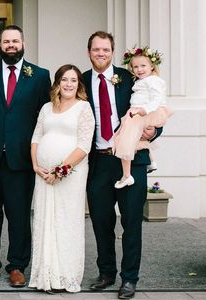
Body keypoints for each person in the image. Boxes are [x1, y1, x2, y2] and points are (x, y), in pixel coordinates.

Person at [83, 31, 162, 300]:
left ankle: (129, 278)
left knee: (131, 223)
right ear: (89, 52)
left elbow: (155, 108)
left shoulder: (132, 78)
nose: (101, 54)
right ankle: (106, 273)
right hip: (98, 161)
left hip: (131, 160)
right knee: (101, 222)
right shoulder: (80, 81)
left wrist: (153, 132)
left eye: (105, 49)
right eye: (96, 50)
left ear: (112, 52)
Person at [0, 25, 50, 287]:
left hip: (21, 159)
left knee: (18, 215)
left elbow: (44, 118)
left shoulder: (39, 76)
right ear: (0, 44)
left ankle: (17, 265)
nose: (11, 45)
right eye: (6, 41)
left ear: (23, 43)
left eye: (15, 41)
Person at [28, 64, 95, 293]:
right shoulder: (47, 108)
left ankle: (65, 275)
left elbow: (84, 145)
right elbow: (36, 137)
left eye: (73, 80)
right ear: (57, 83)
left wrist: (60, 170)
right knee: (45, 219)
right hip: (43, 174)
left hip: (70, 175)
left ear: (79, 85)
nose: (68, 84)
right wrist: (37, 165)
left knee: (65, 220)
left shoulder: (83, 108)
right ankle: (45, 275)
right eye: (65, 80)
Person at [112, 47, 172, 189]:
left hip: (144, 113)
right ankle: (151, 161)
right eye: (135, 67)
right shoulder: (141, 80)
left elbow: (157, 99)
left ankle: (126, 176)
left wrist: (144, 110)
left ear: (152, 66)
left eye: (143, 66)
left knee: (124, 141)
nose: (139, 69)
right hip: (137, 113)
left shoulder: (153, 81)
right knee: (135, 139)